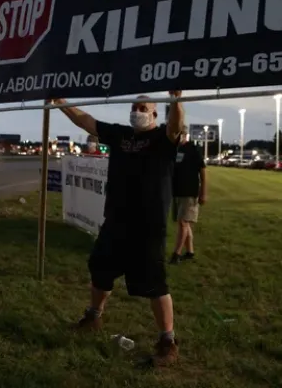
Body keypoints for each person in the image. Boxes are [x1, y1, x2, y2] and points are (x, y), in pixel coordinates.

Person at [52, 92, 184, 367]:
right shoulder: (121, 135)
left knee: (153, 281)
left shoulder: (162, 138)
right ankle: (93, 317)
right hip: (115, 220)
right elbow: (86, 121)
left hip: (148, 225)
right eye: (134, 107)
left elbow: (176, 127)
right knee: (100, 267)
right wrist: (60, 103)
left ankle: (167, 340)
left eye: (143, 108)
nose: (137, 111)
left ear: (155, 114)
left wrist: (176, 100)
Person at [170, 127, 206, 264]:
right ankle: (190, 252)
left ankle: (176, 253)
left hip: (189, 192)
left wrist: (203, 192)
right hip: (177, 192)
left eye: (178, 134)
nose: (176, 136)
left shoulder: (193, 149)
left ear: (185, 135)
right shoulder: (175, 149)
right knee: (183, 223)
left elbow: (203, 171)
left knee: (183, 223)